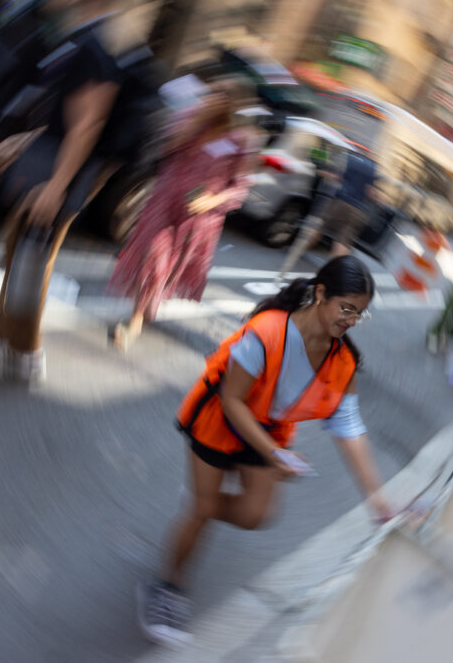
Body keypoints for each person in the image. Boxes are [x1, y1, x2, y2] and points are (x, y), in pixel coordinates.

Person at [137, 255, 391, 647]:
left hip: (269, 427)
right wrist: (273, 454)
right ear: (321, 294)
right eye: (347, 309)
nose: (352, 320)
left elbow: (349, 425)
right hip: (222, 419)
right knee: (202, 512)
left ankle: (200, 502)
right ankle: (165, 587)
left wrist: (377, 497)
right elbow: (232, 400)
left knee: (257, 514)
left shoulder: (343, 359)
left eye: (360, 314)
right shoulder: (267, 331)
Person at [0, 0, 135, 383]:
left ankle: (25, 354)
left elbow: (86, 126)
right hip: (51, 170)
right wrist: (18, 143)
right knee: (23, 257)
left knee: (31, 262)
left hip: (56, 176)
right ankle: (6, 345)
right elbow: (60, 120)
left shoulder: (93, 49)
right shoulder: (83, 42)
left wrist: (55, 186)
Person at [106, 78, 253, 349]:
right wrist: (198, 121)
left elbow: (240, 187)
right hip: (164, 201)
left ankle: (149, 302)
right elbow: (167, 147)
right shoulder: (190, 118)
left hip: (197, 217)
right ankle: (137, 319)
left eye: (225, 96)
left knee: (170, 263)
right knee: (153, 253)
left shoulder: (239, 140)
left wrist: (212, 200)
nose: (217, 99)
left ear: (234, 105)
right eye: (215, 92)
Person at [278, 146, 378, 278]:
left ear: (359, 151)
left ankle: (298, 250)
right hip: (357, 209)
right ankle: (332, 271)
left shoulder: (349, 158)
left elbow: (334, 176)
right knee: (343, 240)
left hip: (338, 201)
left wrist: (320, 172)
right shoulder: (372, 167)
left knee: (319, 228)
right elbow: (370, 192)